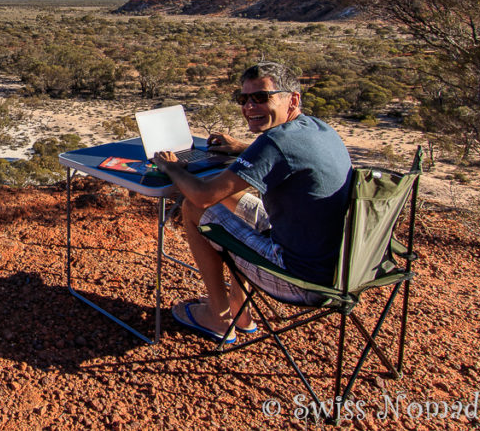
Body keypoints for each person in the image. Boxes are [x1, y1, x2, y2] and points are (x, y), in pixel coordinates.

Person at [151, 61, 352, 343]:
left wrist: (171, 167)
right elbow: (289, 157)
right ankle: (241, 312)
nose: (249, 107)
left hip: (299, 277)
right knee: (232, 199)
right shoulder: (317, 128)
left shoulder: (276, 143)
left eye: (261, 98)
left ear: (292, 99)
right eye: (243, 99)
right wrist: (244, 149)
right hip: (341, 264)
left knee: (195, 207)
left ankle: (219, 317)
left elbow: (203, 196)